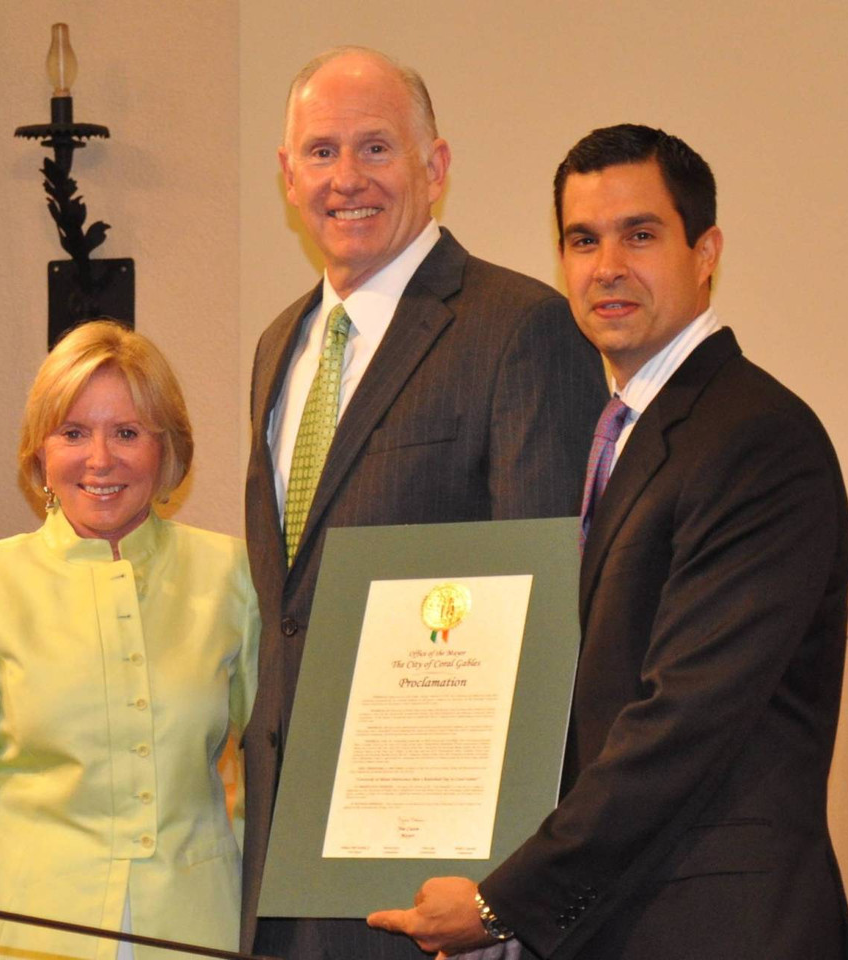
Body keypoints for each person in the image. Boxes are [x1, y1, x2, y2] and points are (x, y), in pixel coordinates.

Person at [366, 124, 848, 959]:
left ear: (706, 253)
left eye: (640, 234)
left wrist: (501, 902)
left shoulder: (756, 437)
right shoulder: (624, 434)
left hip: (721, 931)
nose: (606, 267)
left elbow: (682, 723)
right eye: (582, 241)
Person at [242, 47, 605, 958]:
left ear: (435, 167)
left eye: (377, 148)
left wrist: (500, 891)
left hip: (432, 883)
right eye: (321, 153)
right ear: (288, 177)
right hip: (287, 865)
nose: (347, 179)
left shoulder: (520, 328)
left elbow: (544, 624)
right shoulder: (276, 346)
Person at [0, 319, 260, 960]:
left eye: (126, 433)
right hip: (21, 933)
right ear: (40, 452)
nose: (100, 459)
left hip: (196, 929)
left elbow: (282, 759)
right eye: (73, 433)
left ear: (166, 448)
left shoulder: (233, 574)